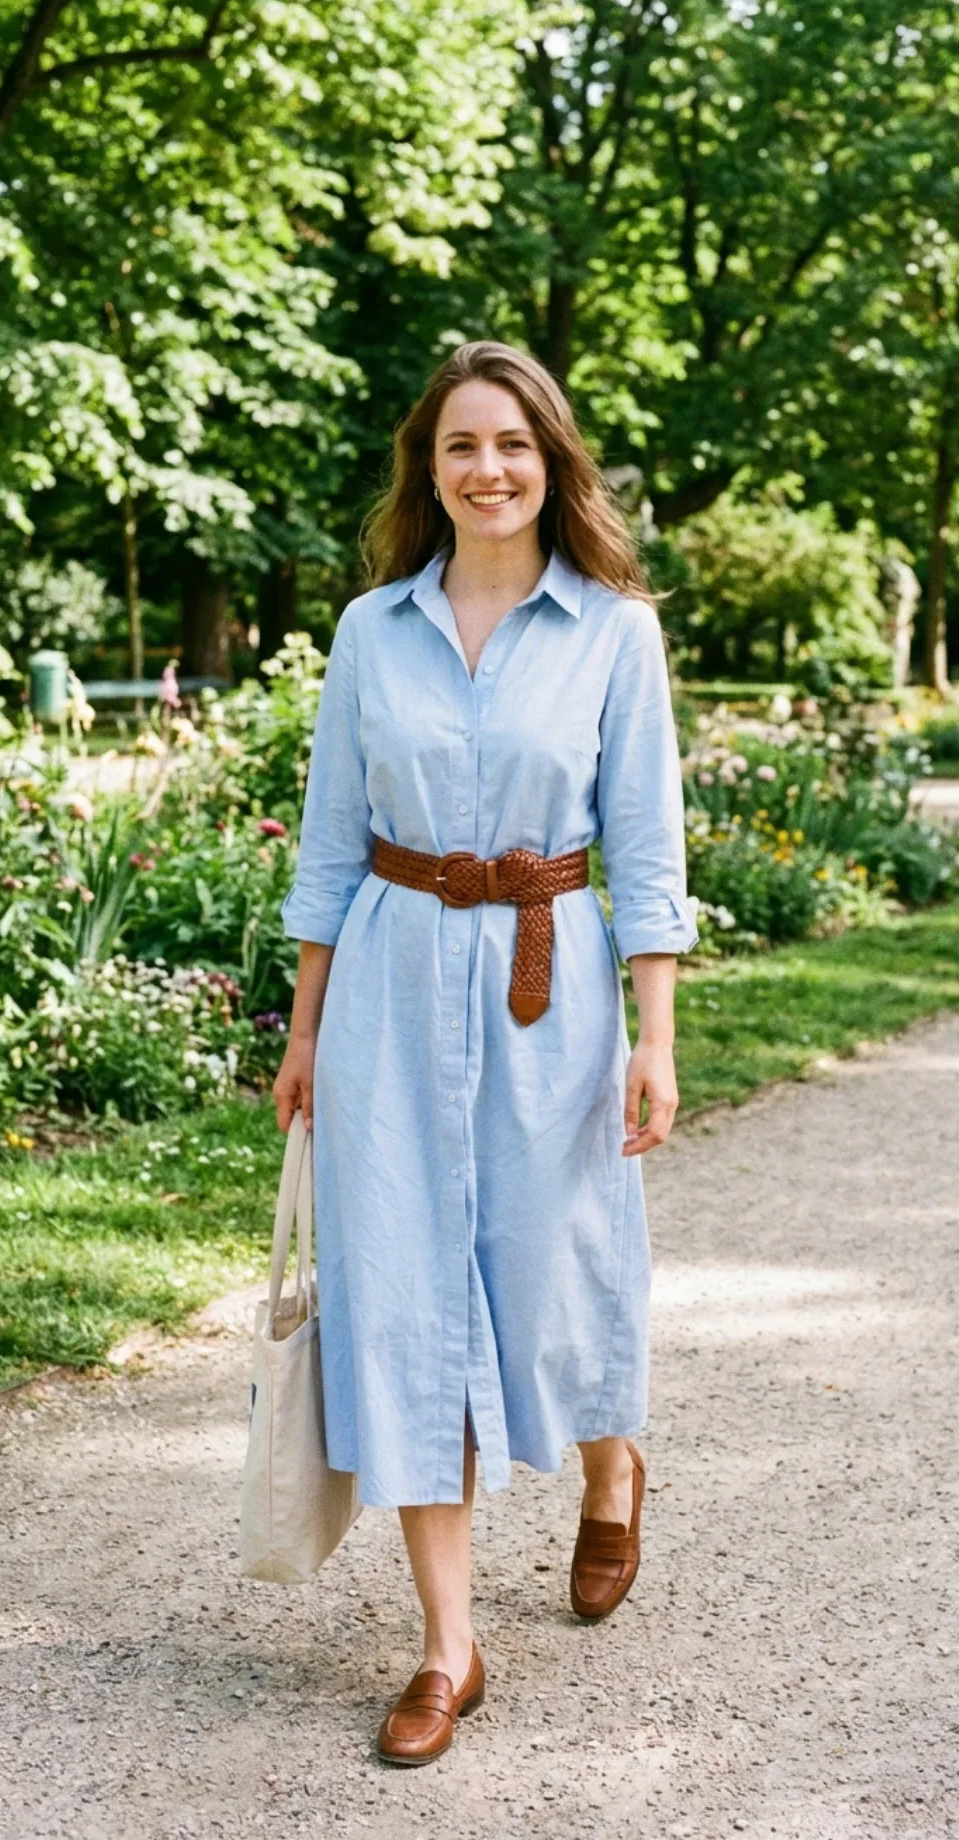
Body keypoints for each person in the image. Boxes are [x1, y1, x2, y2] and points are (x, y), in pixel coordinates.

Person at [273, 339, 697, 1766]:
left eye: (512, 444)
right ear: (429, 469)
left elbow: (644, 848)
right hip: (392, 985)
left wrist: (655, 1037)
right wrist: (306, 1031)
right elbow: (332, 846)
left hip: (549, 982)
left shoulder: (613, 633)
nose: (488, 469)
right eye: (461, 445)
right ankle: (450, 1647)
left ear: (551, 461)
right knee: (398, 1296)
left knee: (559, 1267)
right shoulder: (367, 632)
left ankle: (609, 1454)